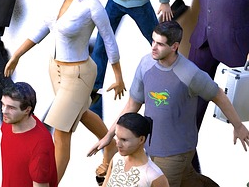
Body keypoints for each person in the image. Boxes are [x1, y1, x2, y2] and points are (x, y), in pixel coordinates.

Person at [4, 0, 121, 180]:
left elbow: (109, 39)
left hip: (79, 75)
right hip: (56, 70)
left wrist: (118, 76)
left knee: (61, 133)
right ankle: (111, 145)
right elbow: (44, 27)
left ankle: (49, 184)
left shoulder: (92, 6)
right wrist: (18, 54)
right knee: (82, 112)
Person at [91, 20, 249, 186]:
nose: (153, 47)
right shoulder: (145, 64)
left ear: (174, 46)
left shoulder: (190, 73)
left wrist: (238, 125)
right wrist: (109, 136)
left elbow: (218, 95)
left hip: (175, 152)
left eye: (160, 44)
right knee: (188, 180)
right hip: (149, 147)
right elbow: (132, 105)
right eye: (153, 41)